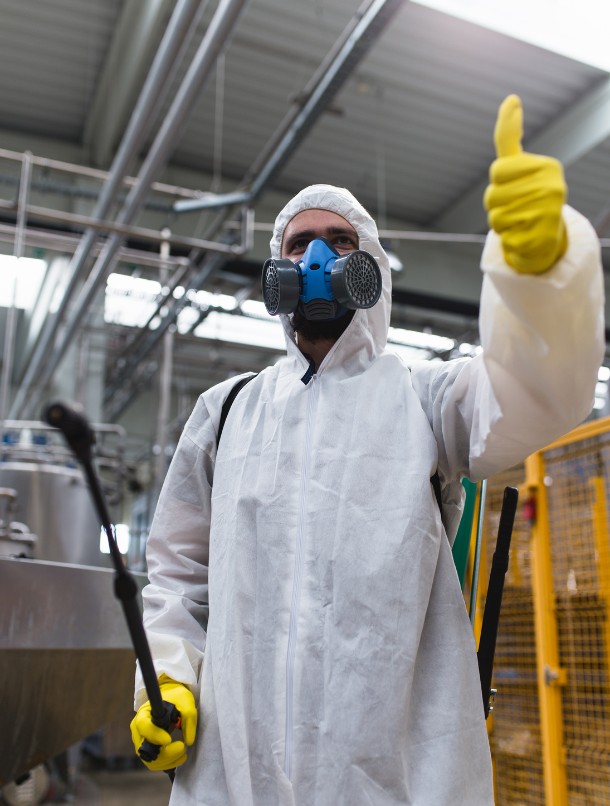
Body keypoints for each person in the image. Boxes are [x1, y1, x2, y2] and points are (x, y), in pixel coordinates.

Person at [130, 96, 604, 805]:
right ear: (276, 268)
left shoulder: (426, 400)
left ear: (371, 267)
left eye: (339, 241)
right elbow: (176, 575)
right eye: (299, 245)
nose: (317, 257)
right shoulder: (225, 413)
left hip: (394, 780)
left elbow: (540, 392)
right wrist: (168, 679)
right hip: (237, 777)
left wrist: (540, 273)